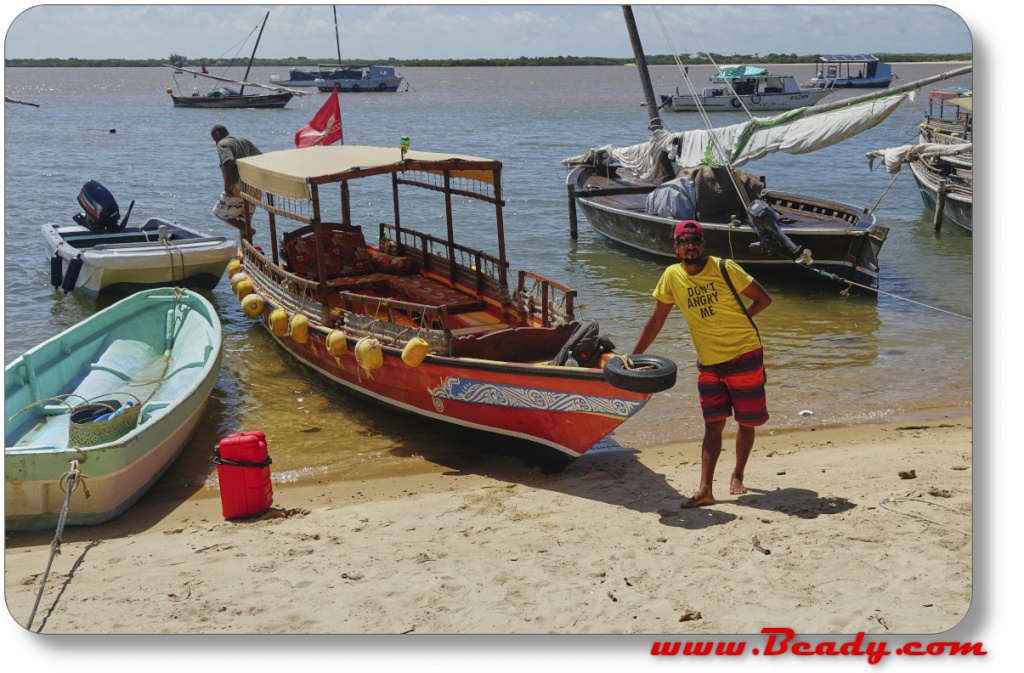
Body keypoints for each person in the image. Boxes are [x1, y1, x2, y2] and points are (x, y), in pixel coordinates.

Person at [633, 220, 772, 508]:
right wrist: (634, 357)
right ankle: (705, 490)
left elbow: (763, 300)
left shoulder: (725, 267)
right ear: (676, 249)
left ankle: (738, 474)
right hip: (709, 362)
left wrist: (736, 323)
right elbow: (657, 319)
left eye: (695, 240)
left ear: (703, 244)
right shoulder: (672, 276)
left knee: (746, 422)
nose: (690, 245)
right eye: (684, 242)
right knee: (713, 424)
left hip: (744, 354)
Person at [210, 125, 260, 237]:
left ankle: (249, 230)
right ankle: (246, 248)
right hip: (254, 187)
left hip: (238, 186)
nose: (215, 143)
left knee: (219, 212)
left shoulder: (222, 144)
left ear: (218, 134)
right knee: (243, 220)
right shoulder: (244, 141)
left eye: (215, 139)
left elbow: (230, 161)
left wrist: (227, 186)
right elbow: (260, 157)